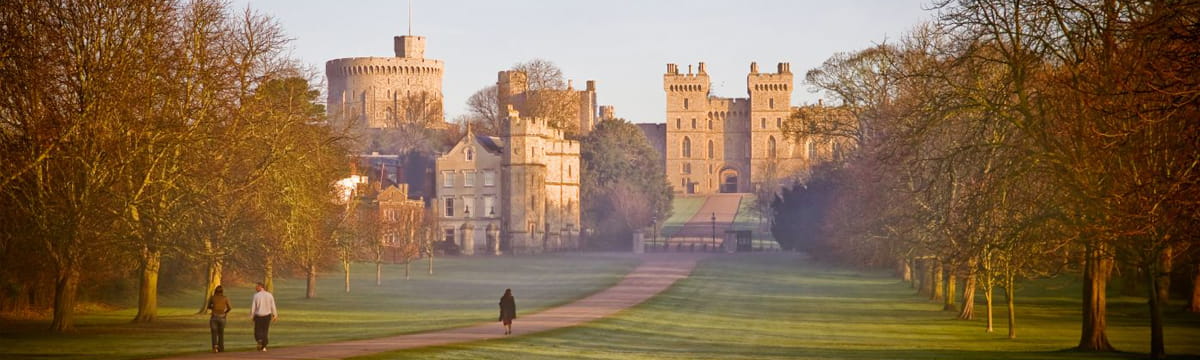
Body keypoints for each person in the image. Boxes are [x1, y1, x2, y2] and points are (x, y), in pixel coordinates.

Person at [249, 282, 277, 352]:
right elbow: (273, 306)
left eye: (257, 287)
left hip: (258, 316)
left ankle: (259, 340)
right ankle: (264, 346)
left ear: (261, 287)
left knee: (257, 330)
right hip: (267, 316)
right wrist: (275, 315)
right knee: (265, 331)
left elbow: (253, 307)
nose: (255, 288)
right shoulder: (269, 295)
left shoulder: (256, 296)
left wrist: (252, 315)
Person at [206, 286, 232, 352]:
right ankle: (221, 347)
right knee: (221, 333)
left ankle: (215, 347)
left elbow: (208, 306)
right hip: (222, 317)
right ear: (222, 291)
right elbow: (229, 308)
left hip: (214, 316)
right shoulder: (225, 298)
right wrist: (225, 313)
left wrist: (213, 308)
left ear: (215, 291)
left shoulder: (212, 298)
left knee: (214, 332)